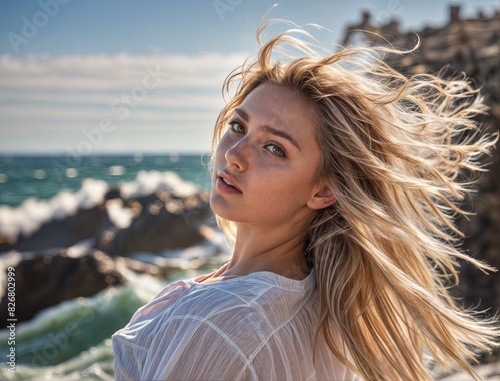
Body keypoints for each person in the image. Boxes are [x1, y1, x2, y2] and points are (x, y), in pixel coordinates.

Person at [112, 22, 499, 380]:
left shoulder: (223, 322)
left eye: (274, 148)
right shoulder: (333, 317)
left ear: (323, 191)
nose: (234, 153)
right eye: (238, 126)